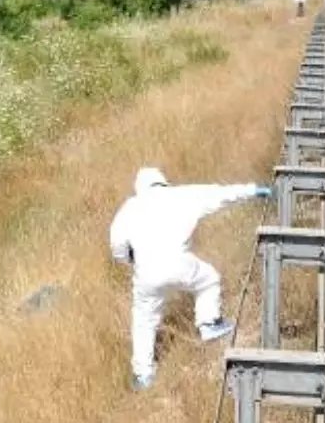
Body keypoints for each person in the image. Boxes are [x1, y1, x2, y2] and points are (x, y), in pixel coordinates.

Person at [109, 168, 273, 392]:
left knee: (144, 319)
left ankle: (143, 374)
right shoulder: (183, 195)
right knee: (208, 280)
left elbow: (117, 246)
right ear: (163, 183)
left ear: (140, 187)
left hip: (146, 273)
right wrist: (254, 190)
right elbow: (221, 194)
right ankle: (208, 323)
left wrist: (129, 261)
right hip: (181, 263)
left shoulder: (129, 208)